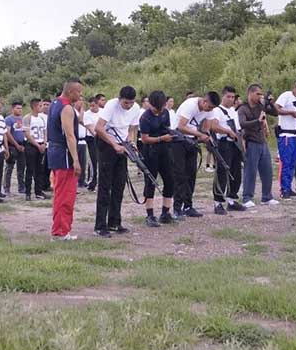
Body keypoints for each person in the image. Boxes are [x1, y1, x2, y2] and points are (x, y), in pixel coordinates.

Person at [94, 86, 142, 237]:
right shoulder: (111, 105)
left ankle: (114, 222)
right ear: (120, 99)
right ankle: (100, 225)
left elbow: (132, 129)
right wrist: (114, 145)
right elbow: (99, 128)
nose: (128, 106)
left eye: (131, 103)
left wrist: (131, 142)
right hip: (107, 144)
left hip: (122, 145)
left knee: (120, 184)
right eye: (126, 103)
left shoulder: (135, 108)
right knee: (105, 186)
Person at [175, 91, 223, 215]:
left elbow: (207, 126)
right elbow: (181, 126)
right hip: (178, 140)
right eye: (209, 107)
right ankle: (177, 208)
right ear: (204, 101)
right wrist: (200, 134)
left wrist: (206, 135)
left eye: (212, 108)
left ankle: (188, 206)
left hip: (192, 141)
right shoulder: (190, 105)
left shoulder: (210, 109)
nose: (210, 110)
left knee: (191, 174)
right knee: (180, 175)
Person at [49, 80, 84, 240]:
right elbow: (70, 136)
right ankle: (61, 231)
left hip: (54, 152)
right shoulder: (67, 108)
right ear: (70, 92)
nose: (80, 95)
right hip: (64, 155)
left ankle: (59, 229)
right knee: (66, 195)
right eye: (79, 92)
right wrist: (76, 160)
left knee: (59, 193)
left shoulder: (54, 103)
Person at [138, 90, 177, 227]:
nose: (158, 110)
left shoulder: (165, 113)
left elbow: (167, 128)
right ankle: (150, 215)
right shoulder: (145, 118)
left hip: (165, 150)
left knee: (170, 180)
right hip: (150, 151)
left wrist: (172, 135)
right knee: (151, 182)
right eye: (156, 108)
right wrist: (161, 138)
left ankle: (165, 213)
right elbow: (144, 139)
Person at [238, 84, 279, 206]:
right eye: (258, 94)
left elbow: (276, 113)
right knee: (250, 171)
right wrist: (258, 121)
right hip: (251, 142)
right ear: (250, 93)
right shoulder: (243, 108)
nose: (260, 96)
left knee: (267, 170)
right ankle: (247, 197)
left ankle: (267, 196)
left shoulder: (261, 105)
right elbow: (242, 123)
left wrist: (270, 103)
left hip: (262, 142)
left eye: (261, 94)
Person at [212, 87, 246, 214]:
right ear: (223, 96)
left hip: (235, 144)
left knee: (236, 172)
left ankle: (231, 199)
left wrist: (242, 146)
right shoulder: (217, 110)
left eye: (233, 97)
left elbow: (238, 130)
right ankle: (218, 202)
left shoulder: (233, 111)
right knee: (222, 172)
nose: (231, 99)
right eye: (228, 97)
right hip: (224, 143)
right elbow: (214, 126)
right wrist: (227, 131)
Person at [23, 98, 48, 200]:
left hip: (41, 144)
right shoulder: (27, 118)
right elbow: (27, 134)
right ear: (34, 106)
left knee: (40, 170)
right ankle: (28, 193)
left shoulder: (41, 118)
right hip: (31, 145)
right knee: (30, 169)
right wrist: (37, 145)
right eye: (40, 106)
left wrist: (44, 143)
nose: (41, 108)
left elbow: (45, 132)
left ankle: (39, 191)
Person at [3, 101, 27, 196]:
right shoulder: (8, 119)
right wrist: (16, 144)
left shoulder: (23, 119)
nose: (19, 110)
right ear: (12, 109)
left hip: (22, 145)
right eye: (17, 108)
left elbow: (25, 131)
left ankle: (21, 187)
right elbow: (7, 133)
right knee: (9, 167)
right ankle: (6, 188)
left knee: (21, 168)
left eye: (21, 108)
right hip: (12, 145)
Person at [83, 94, 104, 191]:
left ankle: (101, 182)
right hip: (92, 139)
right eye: (90, 106)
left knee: (102, 161)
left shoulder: (103, 113)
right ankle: (92, 182)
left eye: (93, 105)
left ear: (97, 104)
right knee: (93, 160)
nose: (91, 108)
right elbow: (91, 129)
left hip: (103, 138)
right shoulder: (87, 114)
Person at [73, 99, 89, 190]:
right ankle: (75, 180)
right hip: (75, 140)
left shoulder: (84, 113)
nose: (81, 102)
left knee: (83, 161)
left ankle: (82, 180)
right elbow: (80, 120)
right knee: (76, 161)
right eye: (79, 100)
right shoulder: (73, 111)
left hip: (83, 140)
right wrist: (82, 110)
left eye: (82, 100)